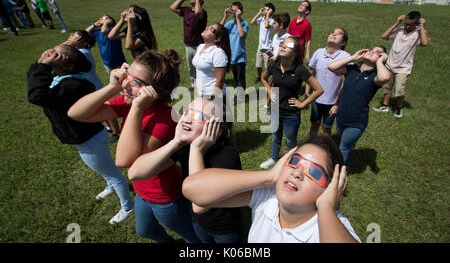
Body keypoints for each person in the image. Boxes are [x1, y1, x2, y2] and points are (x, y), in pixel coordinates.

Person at [68, 49, 201, 243]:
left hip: (164, 197)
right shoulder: (129, 101)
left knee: (190, 236)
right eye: (126, 75)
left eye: (135, 82)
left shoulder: (164, 118)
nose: (125, 84)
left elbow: (124, 160)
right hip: (141, 192)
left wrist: (137, 107)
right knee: (145, 231)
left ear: (154, 92)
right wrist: (111, 87)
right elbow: (77, 114)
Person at [182, 134, 361, 243]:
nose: (297, 172)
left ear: (331, 189)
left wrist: (326, 208)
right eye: (294, 161)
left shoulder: (329, 227)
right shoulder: (267, 196)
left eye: (314, 171)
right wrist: (269, 176)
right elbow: (193, 190)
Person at [27, 44, 134, 225]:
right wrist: (40, 64)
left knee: (113, 173)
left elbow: (36, 95)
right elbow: (36, 82)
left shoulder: (74, 84)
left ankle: (128, 207)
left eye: (56, 54)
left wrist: (44, 66)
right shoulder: (64, 78)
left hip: (89, 138)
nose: (50, 54)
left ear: (68, 65)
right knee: (103, 169)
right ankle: (109, 186)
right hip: (83, 136)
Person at [127, 97, 244, 243]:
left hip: (224, 229)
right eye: (188, 112)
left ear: (217, 128)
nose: (187, 119)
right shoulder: (186, 145)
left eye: (198, 117)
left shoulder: (227, 155)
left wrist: (197, 150)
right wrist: (176, 142)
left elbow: (199, 204)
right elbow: (134, 173)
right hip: (197, 223)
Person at [259, 36, 323, 169]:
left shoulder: (300, 70)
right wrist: (270, 92)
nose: (282, 46)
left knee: (290, 141)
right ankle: (273, 158)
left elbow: (319, 90)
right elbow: (263, 78)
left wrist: (303, 104)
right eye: (282, 44)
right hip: (275, 110)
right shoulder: (274, 65)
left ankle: (289, 162)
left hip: (291, 115)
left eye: (288, 46)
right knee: (276, 138)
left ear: (294, 54)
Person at [328, 46, 391, 168]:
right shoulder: (352, 69)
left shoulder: (375, 76)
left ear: (382, 58)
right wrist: (353, 57)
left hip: (356, 122)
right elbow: (331, 67)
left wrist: (379, 62)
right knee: (346, 145)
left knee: (343, 149)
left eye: (378, 53)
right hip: (341, 118)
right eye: (371, 50)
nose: (373, 52)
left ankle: (339, 175)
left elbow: (385, 77)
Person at [373, 11, 429, 118]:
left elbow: (425, 43)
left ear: (416, 24)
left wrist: (422, 26)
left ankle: (399, 108)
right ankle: (385, 105)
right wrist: (397, 23)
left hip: (403, 68)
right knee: (387, 87)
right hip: (390, 64)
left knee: (399, 90)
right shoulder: (399, 31)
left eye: (410, 25)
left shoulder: (418, 33)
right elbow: (384, 36)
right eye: (406, 24)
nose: (407, 26)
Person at [86, 15, 126, 141]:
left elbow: (105, 30)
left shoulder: (112, 30)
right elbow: (85, 34)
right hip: (107, 63)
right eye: (102, 18)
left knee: (125, 85)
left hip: (119, 62)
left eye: (105, 18)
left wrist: (106, 23)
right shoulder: (97, 32)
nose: (102, 19)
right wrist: (95, 24)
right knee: (116, 84)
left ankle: (127, 102)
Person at [308, 28, 349, 136]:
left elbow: (345, 84)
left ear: (343, 42)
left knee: (326, 128)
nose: (334, 34)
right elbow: (310, 74)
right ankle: (311, 147)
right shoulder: (318, 52)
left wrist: (337, 104)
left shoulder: (345, 57)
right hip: (316, 99)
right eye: (332, 32)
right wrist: (308, 93)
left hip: (332, 102)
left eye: (339, 33)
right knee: (314, 125)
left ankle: (326, 149)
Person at [170, 0, 208, 89]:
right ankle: (193, 84)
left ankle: (202, 83)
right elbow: (172, 8)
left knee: (199, 66)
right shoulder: (186, 10)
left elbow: (198, 12)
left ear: (200, 1)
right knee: (190, 66)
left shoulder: (203, 12)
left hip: (199, 45)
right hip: (188, 44)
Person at [259, 12, 291, 110]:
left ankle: (269, 105)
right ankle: (269, 104)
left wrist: (276, 57)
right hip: (273, 63)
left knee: (275, 85)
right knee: (267, 81)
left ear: (281, 25)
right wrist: (271, 52)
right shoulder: (276, 35)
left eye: (275, 23)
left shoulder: (288, 38)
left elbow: (288, 54)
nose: (272, 25)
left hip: (281, 65)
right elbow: (276, 50)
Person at [220, 1, 249, 104]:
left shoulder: (244, 23)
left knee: (240, 78)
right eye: (232, 10)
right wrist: (225, 16)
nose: (234, 12)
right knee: (236, 78)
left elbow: (241, 34)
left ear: (241, 11)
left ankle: (240, 98)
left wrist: (237, 18)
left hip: (240, 56)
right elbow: (218, 30)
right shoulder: (229, 24)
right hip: (231, 55)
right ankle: (241, 94)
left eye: (236, 10)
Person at [192, 23, 231, 99]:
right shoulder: (200, 47)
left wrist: (212, 98)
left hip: (213, 95)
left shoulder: (218, 53)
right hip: (200, 93)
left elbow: (220, 80)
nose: (207, 28)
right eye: (209, 26)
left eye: (212, 29)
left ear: (217, 39)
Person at [250, 3, 275, 84]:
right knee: (258, 65)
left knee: (267, 66)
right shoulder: (261, 18)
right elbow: (252, 22)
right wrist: (259, 13)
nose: (263, 10)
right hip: (260, 46)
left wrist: (267, 14)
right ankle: (259, 77)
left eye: (265, 9)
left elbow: (267, 26)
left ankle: (268, 79)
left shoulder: (272, 20)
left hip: (268, 47)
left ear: (270, 11)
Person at [288, 0, 312, 65]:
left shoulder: (307, 24)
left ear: (307, 11)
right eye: (301, 4)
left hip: (298, 54)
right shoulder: (292, 21)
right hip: (289, 51)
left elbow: (308, 40)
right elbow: (288, 36)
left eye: (304, 5)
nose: (301, 5)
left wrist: (307, 55)